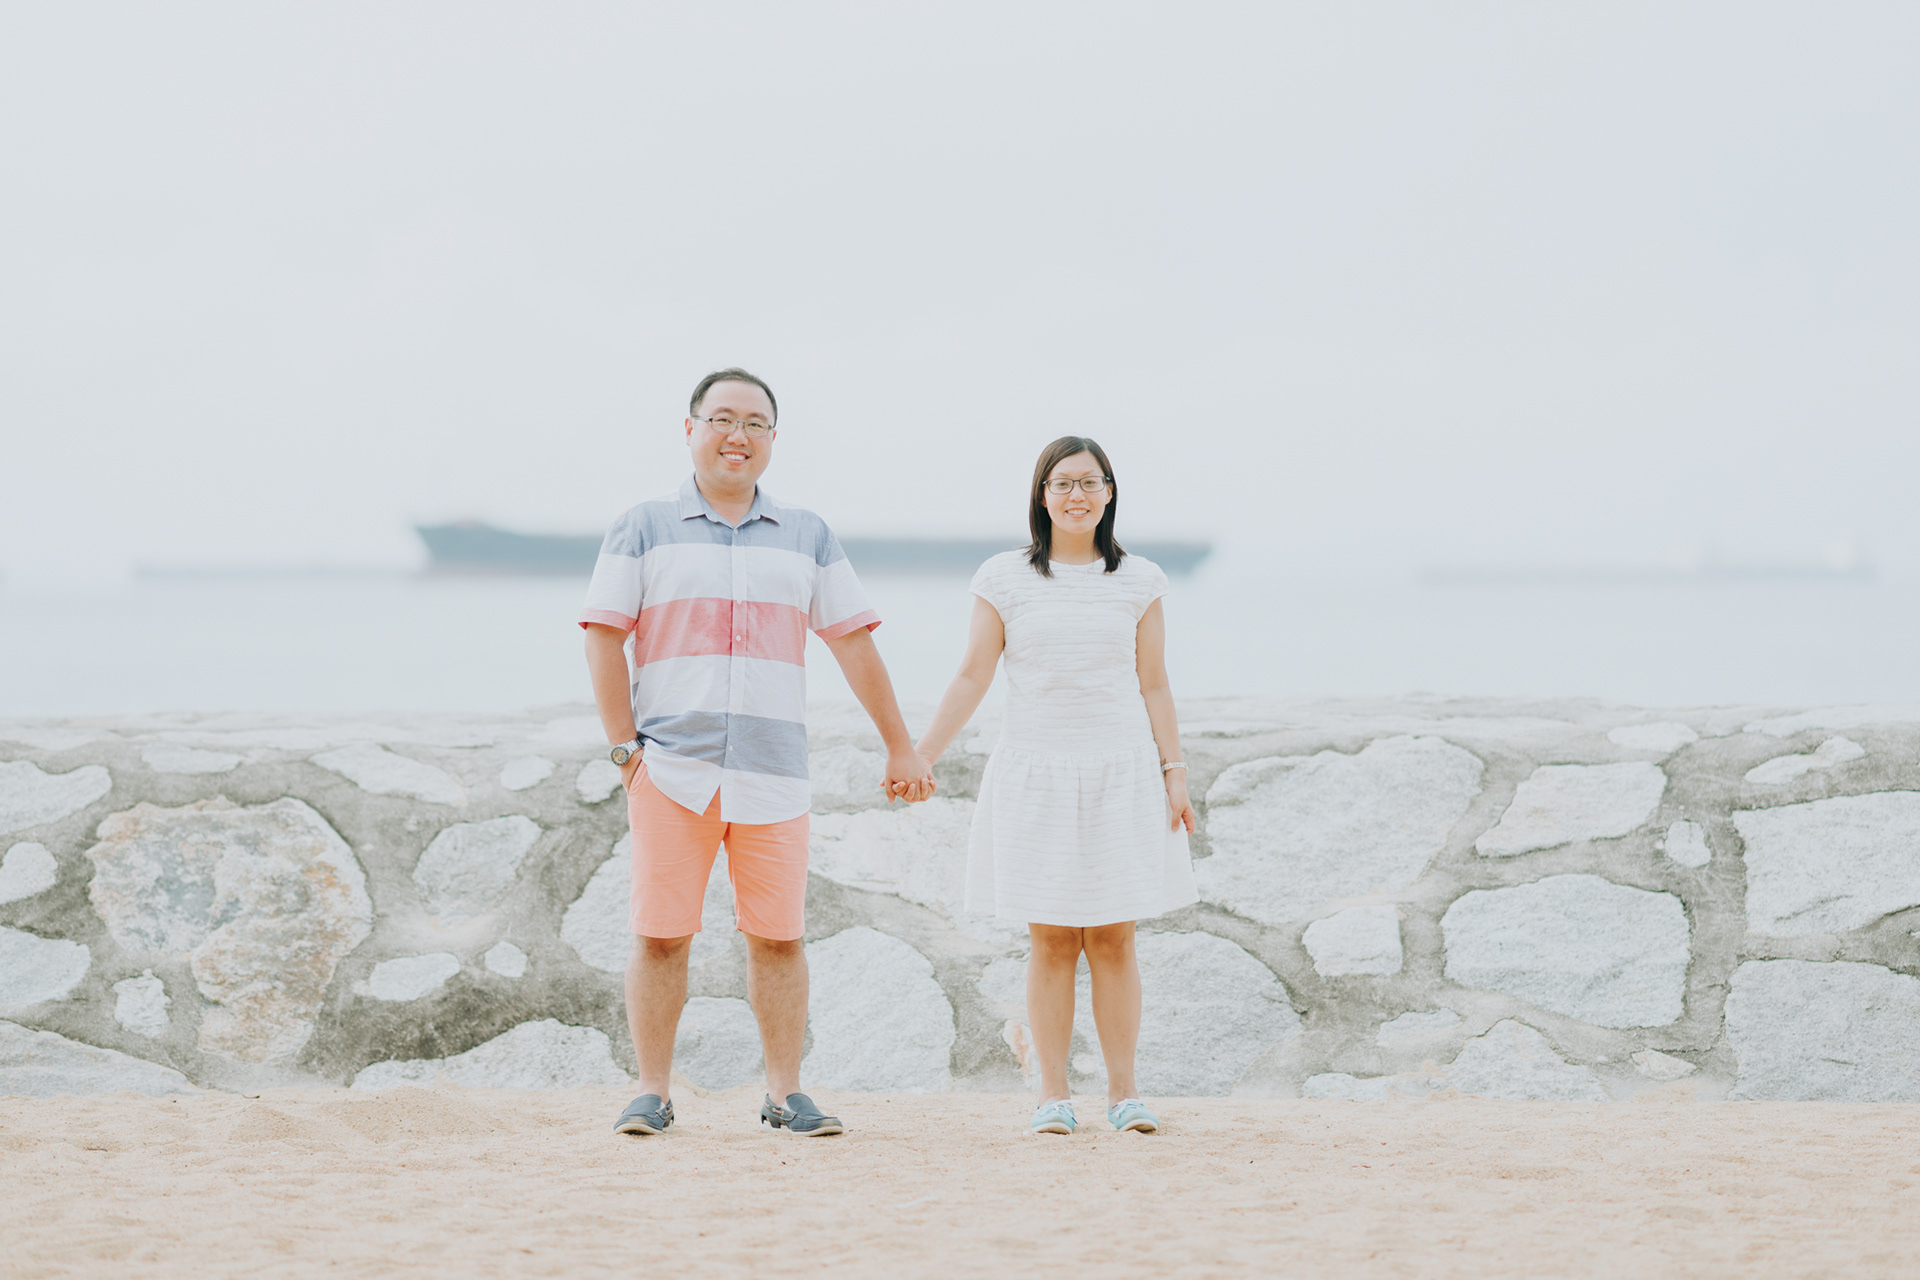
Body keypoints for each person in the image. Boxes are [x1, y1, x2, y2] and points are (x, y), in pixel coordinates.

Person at [581, 367, 932, 1138]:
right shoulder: (642, 526)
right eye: (722, 419)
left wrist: (900, 746)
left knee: (778, 938)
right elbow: (604, 635)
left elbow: (854, 645)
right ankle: (651, 1091)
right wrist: (625, 751)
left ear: (773, 438)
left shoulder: (807, 535)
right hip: (671, 769)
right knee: (660, 935)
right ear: (691, 429)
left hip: (773, 773)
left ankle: (785, 1093)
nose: (737, 435)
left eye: (755, 423)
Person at [908, 435, 1198, 1135]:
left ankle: (1124, 1094)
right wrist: (921, 755)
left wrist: (1175, 773)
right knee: (1053, 940)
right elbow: (973, 674)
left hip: (1122, 773)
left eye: (1090, 482)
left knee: (1114, 938)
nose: (1077, 495)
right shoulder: (1004, 577)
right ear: (1042, 495)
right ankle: (1053, 1095)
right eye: (1063, 483)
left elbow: (1154, 684)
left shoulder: (1140, 580)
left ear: (1109, 493)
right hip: (1035, 775)